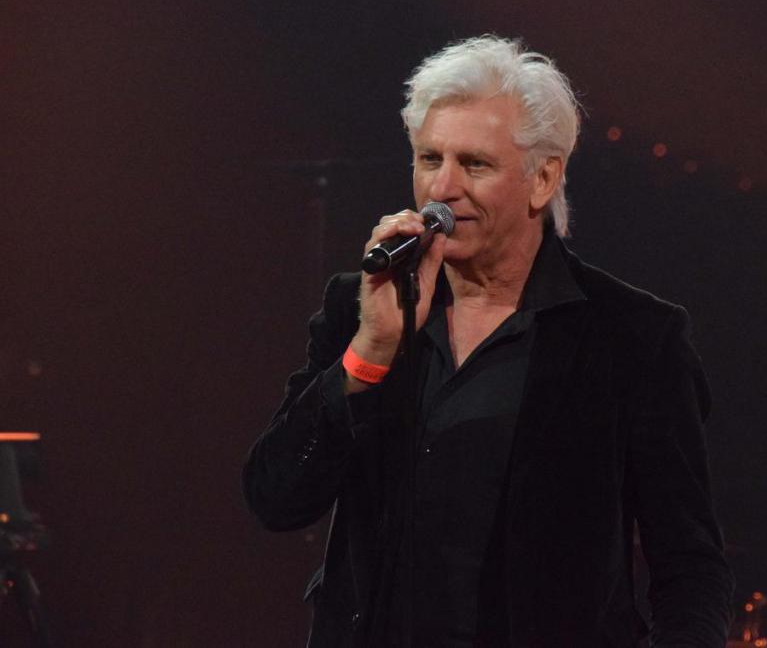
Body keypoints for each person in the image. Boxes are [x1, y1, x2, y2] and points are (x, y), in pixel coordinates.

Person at [243, 36, 733, 647]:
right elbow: (276, 498)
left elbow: (690, 570)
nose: (442, 189)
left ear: (543, 179)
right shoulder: (362, 308)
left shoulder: (632, 337)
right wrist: (369, 352)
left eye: (474, 164)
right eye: (429, 159)